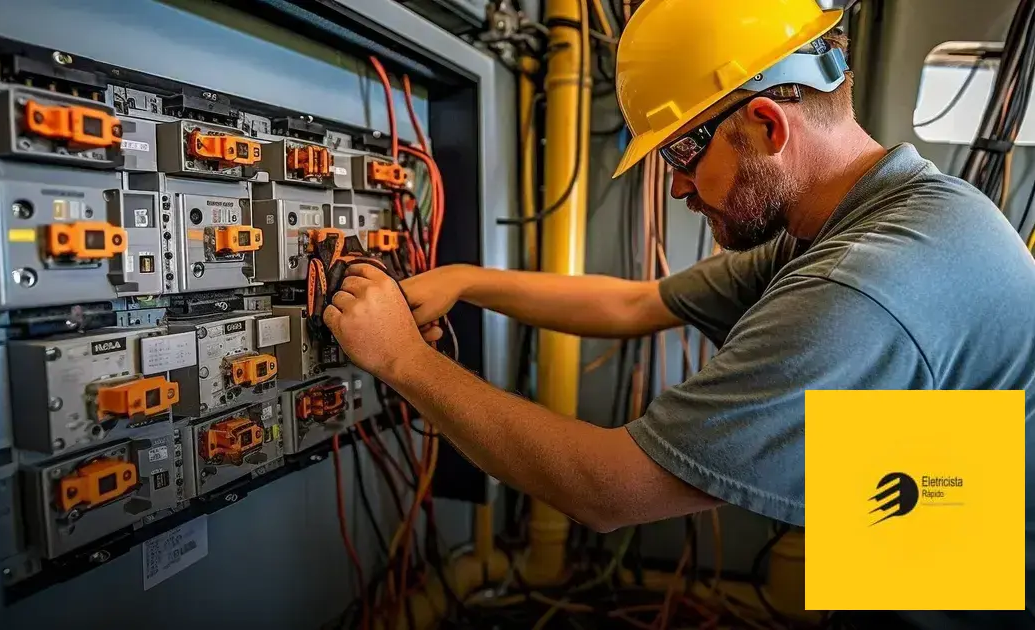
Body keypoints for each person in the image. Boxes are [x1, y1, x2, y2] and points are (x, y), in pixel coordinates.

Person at [323, 0, 1035, 627]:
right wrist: (468, 280)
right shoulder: (866, 217)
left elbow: (606, 490)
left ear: (764, 124)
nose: (678, 190)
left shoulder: (862, 281)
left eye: (680, 156)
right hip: (926, 559)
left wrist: (402, 361)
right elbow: (634, 303)